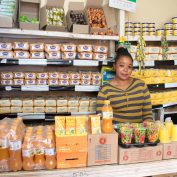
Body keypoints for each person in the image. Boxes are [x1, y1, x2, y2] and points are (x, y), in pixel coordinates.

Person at [97, 47, 153, 123]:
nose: (125, 70)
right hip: (115, 133)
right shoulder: (105, 90)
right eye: (121, 65)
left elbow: (148, 114)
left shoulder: (141, 85)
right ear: (114, 66)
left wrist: (147, 125)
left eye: (129, 67)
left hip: (138, 133)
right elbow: (100, 117)